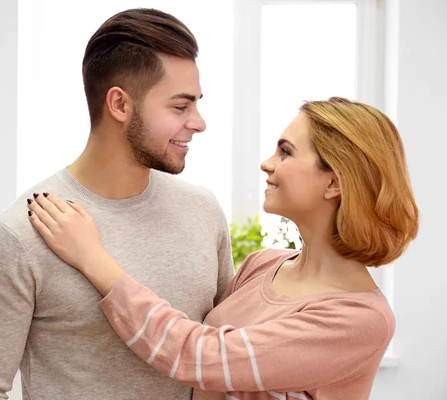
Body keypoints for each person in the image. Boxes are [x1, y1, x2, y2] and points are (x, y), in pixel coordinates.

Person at [27, 97, 419, 400]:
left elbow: (197, 356)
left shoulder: (358, 319)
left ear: (333, 183)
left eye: (285, 152)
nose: (267, 164)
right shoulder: (262, 266)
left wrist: (92, 258)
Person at [0, 8, 234, 400]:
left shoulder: (203, 213)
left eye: (196, 104)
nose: (199, 122)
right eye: (180, 107)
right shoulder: (17, 237)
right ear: (119, 105)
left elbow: (219, 360)